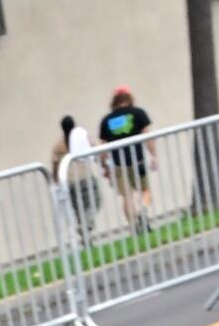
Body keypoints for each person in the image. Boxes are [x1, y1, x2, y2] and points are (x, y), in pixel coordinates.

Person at [99, 86, 156, 232]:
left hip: (119, 165)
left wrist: (105, 167)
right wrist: (154, 156)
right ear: (129, 98)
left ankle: (134, 225)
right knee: (145, 191)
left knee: (127, 196)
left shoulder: (106, 120)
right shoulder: (138, 113)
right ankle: (142, 212)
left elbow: (103, 149)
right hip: (138, 160)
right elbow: (147, 137)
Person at [52, 114, 100, 237]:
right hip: (86, 177)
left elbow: (55, 164)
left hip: (70, 182)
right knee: (95, 201)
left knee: (79, 210)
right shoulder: (81, 136)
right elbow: (94, 147)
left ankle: (85, 236)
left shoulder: (59, 145)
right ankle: (88, 225)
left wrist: (56, 180)